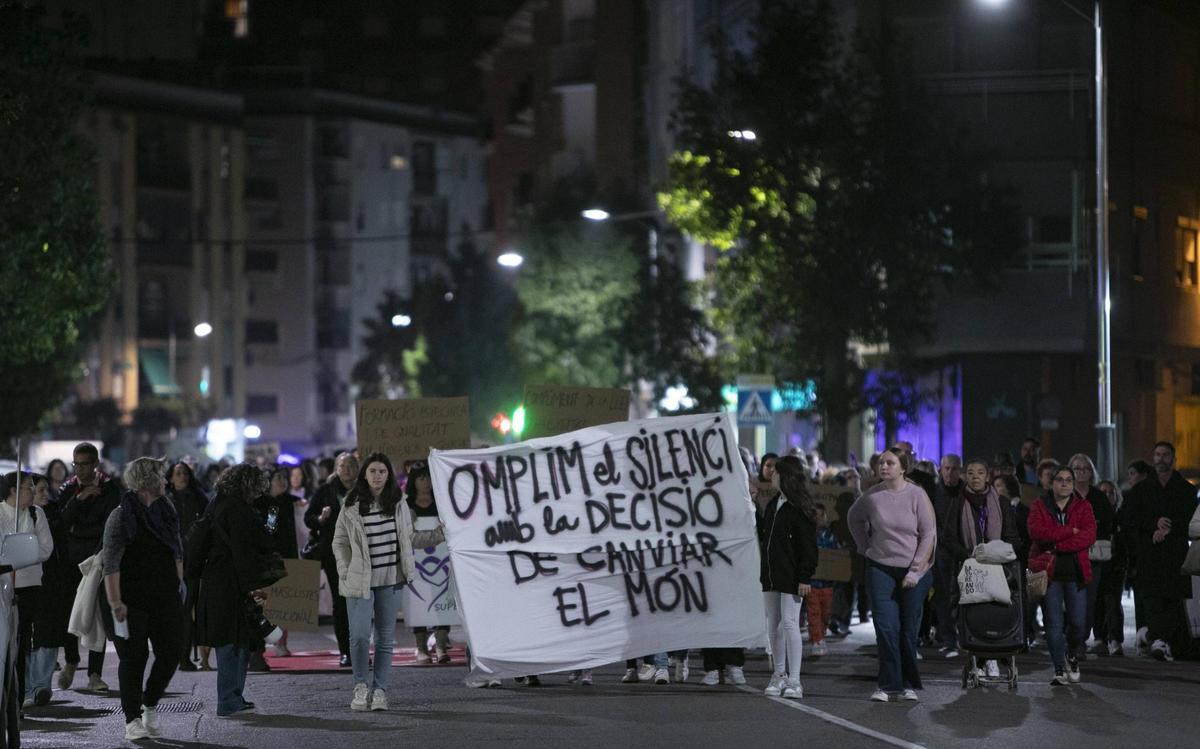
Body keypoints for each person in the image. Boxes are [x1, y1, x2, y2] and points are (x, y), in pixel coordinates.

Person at [333, 452, 444, 712]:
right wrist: (344, 568)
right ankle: (360, 686)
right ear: (365, 474)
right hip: (359, 581)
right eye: (373, 471)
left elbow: (411, 538)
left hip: (390, 580)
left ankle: (380, 690)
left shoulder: (398, 503)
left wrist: (439, 535)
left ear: (389, 475)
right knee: (359, 636)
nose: (377, 476)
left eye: (382, 471)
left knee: (384, 639)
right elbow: (339, 541)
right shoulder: (351, 503)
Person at [102, 458, 185, 740]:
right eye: (160, 475)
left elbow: (176, 548)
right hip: (130, 598)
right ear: (147, 480)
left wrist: (179, 583)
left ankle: (149, 702)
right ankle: (132, 720)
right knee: (134, 658)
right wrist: (115, 603)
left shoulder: (167, 509)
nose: (165, 480)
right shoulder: (120, 515)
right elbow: (110, 564)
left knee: (173, 651)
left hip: (165, 595)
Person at [847, 447, 937, 703]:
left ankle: (908, 683)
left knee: (908, 630)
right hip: (880, 567)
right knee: (886, 628)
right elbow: (854, 519)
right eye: (881, 463)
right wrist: (864, 546)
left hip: (913, 569)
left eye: (890, 463)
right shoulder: (872, 496)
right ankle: (887, 685)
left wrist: (916, 570)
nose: (883, 467)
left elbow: (929, 534)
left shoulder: (917, 495)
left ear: (903, 468)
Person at [194, 464, 279, 717]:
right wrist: (254, 586)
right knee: (233, 641)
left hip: (215, 579)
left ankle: (234, 697)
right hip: (231, 582)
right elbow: (245, 551)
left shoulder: (216, 503)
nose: (258, 494)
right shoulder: (238, 509)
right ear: (248, 485)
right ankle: (229, 701)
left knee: (234, 639)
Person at [939, 459, 1021, 679]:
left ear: (988, 476)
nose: (975, 476)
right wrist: (969, 554)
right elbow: (948, 538)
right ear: (965, 476)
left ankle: (991, 659)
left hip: (998, 568)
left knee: (994, 613)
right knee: (972, 615)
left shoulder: (1001, 503)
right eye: (971, 473)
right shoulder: (957, 503)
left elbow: (1013, 536)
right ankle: (977, 658)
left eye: (980, 472)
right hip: (969, 566)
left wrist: (996, 552)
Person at [1122, 441, 1195, 662]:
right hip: (1150, 555)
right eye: (1157, 454)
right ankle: (1159, 639)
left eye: (1165, 454)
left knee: (1173, 600)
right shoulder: (1141, 490)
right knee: (1152, 599)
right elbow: (1129, 519)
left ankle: (1162, 640)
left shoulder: (1186, 490)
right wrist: (1153, 524)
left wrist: (1168, 528)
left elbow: (1191, 520)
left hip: (1175, 554)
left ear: (1173, 459)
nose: (1161, 458)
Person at [58, 442, 121, 692]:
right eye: (76, 464)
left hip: (97, 558)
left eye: (85, 464)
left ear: (95, 464)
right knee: (70, 612)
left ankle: (95, 673)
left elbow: (110, 524)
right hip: (71, 560)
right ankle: (71, 662)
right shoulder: (68, 489)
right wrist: (79, 499)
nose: (80, 470)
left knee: (98, 615)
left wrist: (84, 530)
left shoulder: (110, 489)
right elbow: (62, 521)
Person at [1028, 465, 1096, 686]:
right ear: (1052, 483)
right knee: (1054, 624)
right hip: (1050, 574)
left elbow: (1088, 536)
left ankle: (1072, 656)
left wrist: (1057, 544)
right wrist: (1068, 531)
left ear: (1074, 484)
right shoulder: (1039, 506)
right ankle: (1058, 668)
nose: (1064, 483)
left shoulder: (1083, 506)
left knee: (1078, 623)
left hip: (1076, 573)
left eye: (1069, 479)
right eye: (1060, 479)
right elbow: (1037, 533)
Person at [758, 455, 818, 700]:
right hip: (771, 574)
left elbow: (808, 547)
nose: (771, 475)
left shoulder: (799, 508)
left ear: (786, 476)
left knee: (791, 624)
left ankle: (795, 680)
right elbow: (765, 534)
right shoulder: (774, 504)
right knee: (773, 624)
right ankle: (779, 674)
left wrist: (805, 576)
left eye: (776, 472)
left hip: (792, 576)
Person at [1, 472, 54, 710]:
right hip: (4, 587)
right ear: (13, 490)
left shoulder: (36, 513)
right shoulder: (0, 513)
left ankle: (18, 699)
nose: (33, 492)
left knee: (21, 643)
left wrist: (23, 555)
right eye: (28, 488)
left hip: (30, 586)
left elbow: (45, 548)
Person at [305, 452, 358, 667]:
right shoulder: (325, 491)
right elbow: (309, 518)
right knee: (341, 601)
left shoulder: (364, 491)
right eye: (342, 465)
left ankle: (361, 649)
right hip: (333, 553)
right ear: (336, 469)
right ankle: (346, 651)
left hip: (360, 552)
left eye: (350, 465)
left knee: (359, 603)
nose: (346, 469)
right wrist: (320, 519)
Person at [1066, 453, 1118, 660]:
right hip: (1068, 556)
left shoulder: (1098, 497)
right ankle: (1070, 640)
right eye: (1077, 468)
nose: (1081, 472)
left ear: (1091, 472)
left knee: (1088, 600)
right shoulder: (1063, 494)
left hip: (1093, 557)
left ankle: (1080, 642)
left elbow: (1108, 523)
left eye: (1085, 469)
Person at [403, 460, 451, 664]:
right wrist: (436, 535)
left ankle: (440, 645)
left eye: (429, 477)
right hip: (416, 562)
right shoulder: (405, 505)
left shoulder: (442, 502)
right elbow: (407, 536)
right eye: (421, 478)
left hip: (443, 560)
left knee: (444, 600)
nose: (426, 482)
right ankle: (421, 648)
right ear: (413, 481)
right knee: (418, 601)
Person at [167, 461, 207, 672]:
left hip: (193, 560)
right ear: (171, 478)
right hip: (172, 561)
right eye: (177, 473)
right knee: (177, 610)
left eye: (184, 473)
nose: (181, 477)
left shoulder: (198, 498)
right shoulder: (165, 500)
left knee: (189, 608)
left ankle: (184, 655)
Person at [257, 467, 299, 658]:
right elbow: (270, 530)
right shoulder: (271, 505)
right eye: (277, 478)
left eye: (284, 477)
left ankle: (282, 642)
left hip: (290, 556)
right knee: (273, 602)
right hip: (274, 558)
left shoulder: (291, 502)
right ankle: (272, 640)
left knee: (286, 603)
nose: (282, 481)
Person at [930, 454, 963, 659]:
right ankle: (949, 638)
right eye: (946, 468)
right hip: (941, 551)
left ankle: (960, 638)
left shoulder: (965, 493)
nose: (950, 473)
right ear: (941, 470)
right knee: (943, 596)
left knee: (962, 596)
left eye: (954, 469)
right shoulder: (933, 493)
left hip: (962, 551)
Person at [1094, 479, 1127, 655]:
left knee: (1113, 601)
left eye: (1110, 492)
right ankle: (1099, 638)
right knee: (1098, 601)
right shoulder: (1094, 515)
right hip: (1098, 563)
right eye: (1103, 492)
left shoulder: (1121, 516)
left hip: (1116, 564)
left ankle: (1115, 639)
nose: (1107, 495)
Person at [807, 503, 841, 657]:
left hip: (827, 582)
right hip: (812, 583)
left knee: (826, 612)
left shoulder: (831, 536)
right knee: (814, 611)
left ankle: (821, 635)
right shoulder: (808, 535)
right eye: (816, 516)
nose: (819, 519)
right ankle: (816, 640)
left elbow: (837, 555)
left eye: (821, 515)